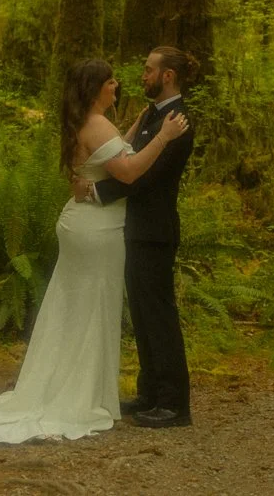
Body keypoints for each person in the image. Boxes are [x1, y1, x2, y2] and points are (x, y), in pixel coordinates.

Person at [0, 58, 189, 447]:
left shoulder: (86, 121)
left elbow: (112, 152)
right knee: (91, 309)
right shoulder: (97, 124)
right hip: (96, 230)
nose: (118, 84)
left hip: (83, 224)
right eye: (110, 80)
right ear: (95, 86)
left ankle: (78, 386)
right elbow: (130, 169)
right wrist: (162, 137)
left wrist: (138, 129)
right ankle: (80, 394)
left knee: (74, 307)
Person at [82, 45, 198, 428]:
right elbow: (129, 155)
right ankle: (150, 392)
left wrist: (99, 193)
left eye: (149, 70)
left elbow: (143, 176)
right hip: (136, 231)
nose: (142, 75)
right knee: (144, 317)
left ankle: (174, 404)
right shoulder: (154, 114)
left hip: (154, 232)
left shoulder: (177, 122)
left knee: (159, 316)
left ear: (167, 76)